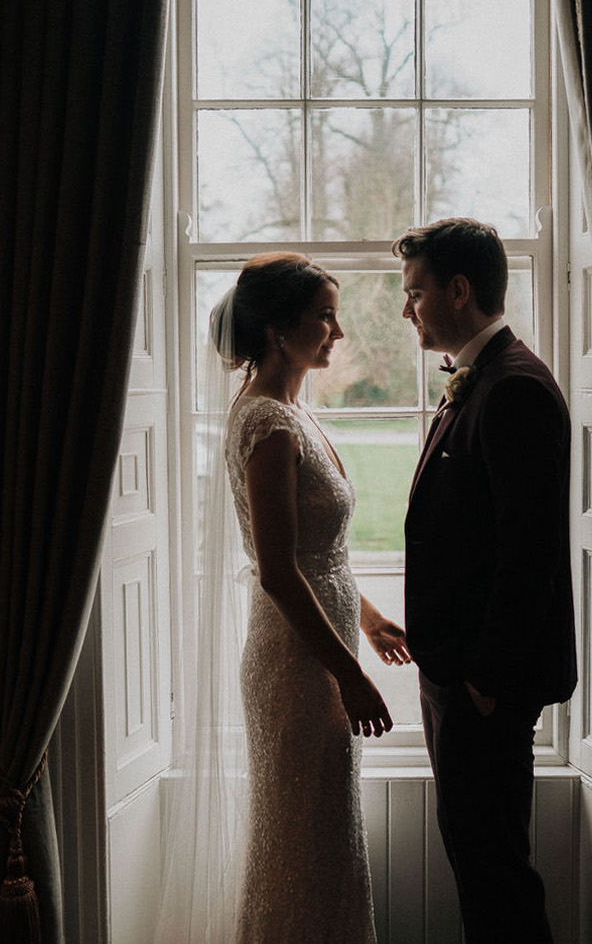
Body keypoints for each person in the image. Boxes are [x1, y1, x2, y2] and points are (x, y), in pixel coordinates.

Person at [212, 251, 413, 943]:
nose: (340, 331)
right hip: (298, 666)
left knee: (320, 841)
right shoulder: (267, 424)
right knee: (303, 841)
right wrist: (349, 675)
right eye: (324, 315)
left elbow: (318, 554)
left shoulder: (295, 412)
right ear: (277, 328)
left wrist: (372, 617)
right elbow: (276, 570)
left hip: (321, 649)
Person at [395, 217, 577, 944]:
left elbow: (527, 554)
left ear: (459, 290)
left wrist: (484, 681)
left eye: (415, 293)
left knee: (496, 875)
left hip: (484, 690)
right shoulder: (482, 379)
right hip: (460, 681)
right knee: (481, 867)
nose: (407, 310)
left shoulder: (513, 389)